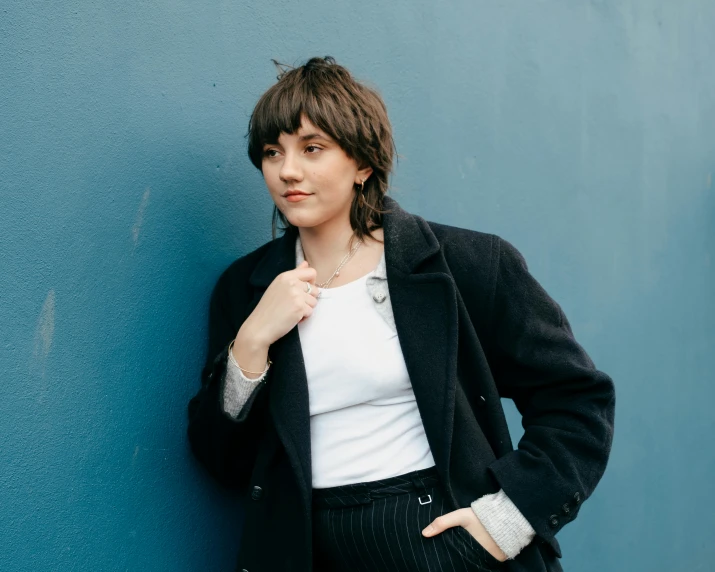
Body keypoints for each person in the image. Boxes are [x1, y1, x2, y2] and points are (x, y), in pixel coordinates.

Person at [187, 56, 615, 572]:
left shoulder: (466, 264)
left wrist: (507, 520)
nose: (288, 170)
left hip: (440, 538)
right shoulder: (246, 289)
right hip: (307, 547)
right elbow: (223, 462)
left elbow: (578, 400)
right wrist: (251, 344)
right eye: (273, 152)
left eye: (312, 149)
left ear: (363, 164)